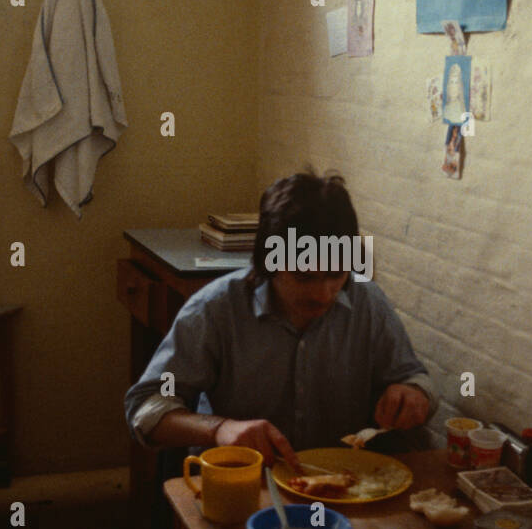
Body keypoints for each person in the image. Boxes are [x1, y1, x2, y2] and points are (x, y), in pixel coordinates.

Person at [124, 171, 436, 465]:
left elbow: (414, 379)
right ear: (268, 262)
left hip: (343, 487)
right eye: (304, 277)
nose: (324, 294)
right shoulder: (216, 309)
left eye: (336, 274)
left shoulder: (367, 301)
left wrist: (414, 394)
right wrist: (219, 428)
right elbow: (146, 408)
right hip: (248, 484)